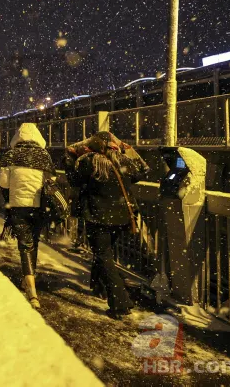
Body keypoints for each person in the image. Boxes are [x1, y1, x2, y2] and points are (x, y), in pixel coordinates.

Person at [70, 131, 149, 318]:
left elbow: (74, 179)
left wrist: (71, 154)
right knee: (104, 253)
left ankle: (120, 302)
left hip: (98, 217)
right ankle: (98, 287)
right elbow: (143, 170)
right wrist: (127, 149)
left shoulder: (90, 161)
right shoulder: (123, 161)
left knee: (103, 255)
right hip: (121, 218)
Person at [0, 123, 54, 310]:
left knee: (25, 244)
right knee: (34, 241)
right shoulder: (44, 155)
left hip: (18, 206)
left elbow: (3, 183)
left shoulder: (11, 155)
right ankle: (32, 276)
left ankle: (31, 289)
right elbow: (51, 182)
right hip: (38, 206)